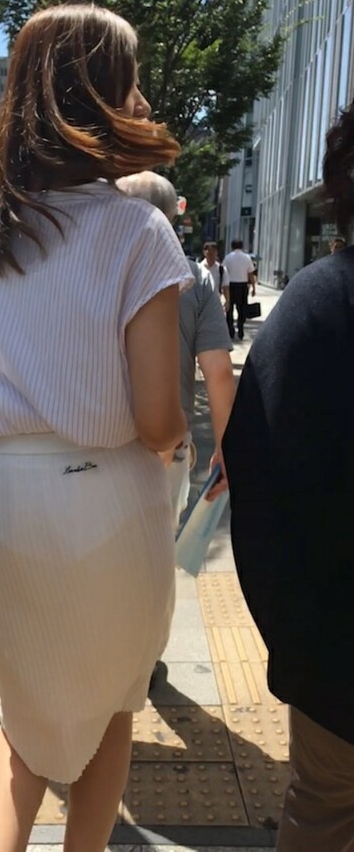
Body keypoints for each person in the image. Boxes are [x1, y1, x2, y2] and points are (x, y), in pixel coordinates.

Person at [0, 6, 192, 852]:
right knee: (112, 704)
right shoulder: (136, 229)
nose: (142, 98)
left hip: (7, 496)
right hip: (110, 497)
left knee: (25, 721)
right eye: (130, 81)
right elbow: (157, 420)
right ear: (97, 95)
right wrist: (179, 438)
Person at [223, 101, 354, 851]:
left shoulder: (316, 304)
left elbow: (258, 479)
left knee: (324, 812)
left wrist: (297, 647)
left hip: (338, 665)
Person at [117, 171, 235, 522]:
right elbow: (219, 372)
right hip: (168, 445)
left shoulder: (97, 271)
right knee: (159, 546)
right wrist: (226, 448)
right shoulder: (195, 278)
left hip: (96, 449)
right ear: (172, 215)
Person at [223, 239, 256, 340]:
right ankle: (240, 329)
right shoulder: (247, 258)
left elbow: (223, 271)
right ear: (242, 246)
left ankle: (231, 331)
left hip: (231, 285)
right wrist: (254, 287)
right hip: (243, 286)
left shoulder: (228, 257)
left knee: (230, 309)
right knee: (242, 309)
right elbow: (251, 273)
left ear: (232, 246)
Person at [200, 241, 230, 312]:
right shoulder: (199, 268)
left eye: (213, 253)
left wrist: (227, 301)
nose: (211, 256)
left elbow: (225, 287)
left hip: (216, 302)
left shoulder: (221, 269)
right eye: (209, 253)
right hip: (200, 302)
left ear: (216, 253)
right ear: (204, 253)